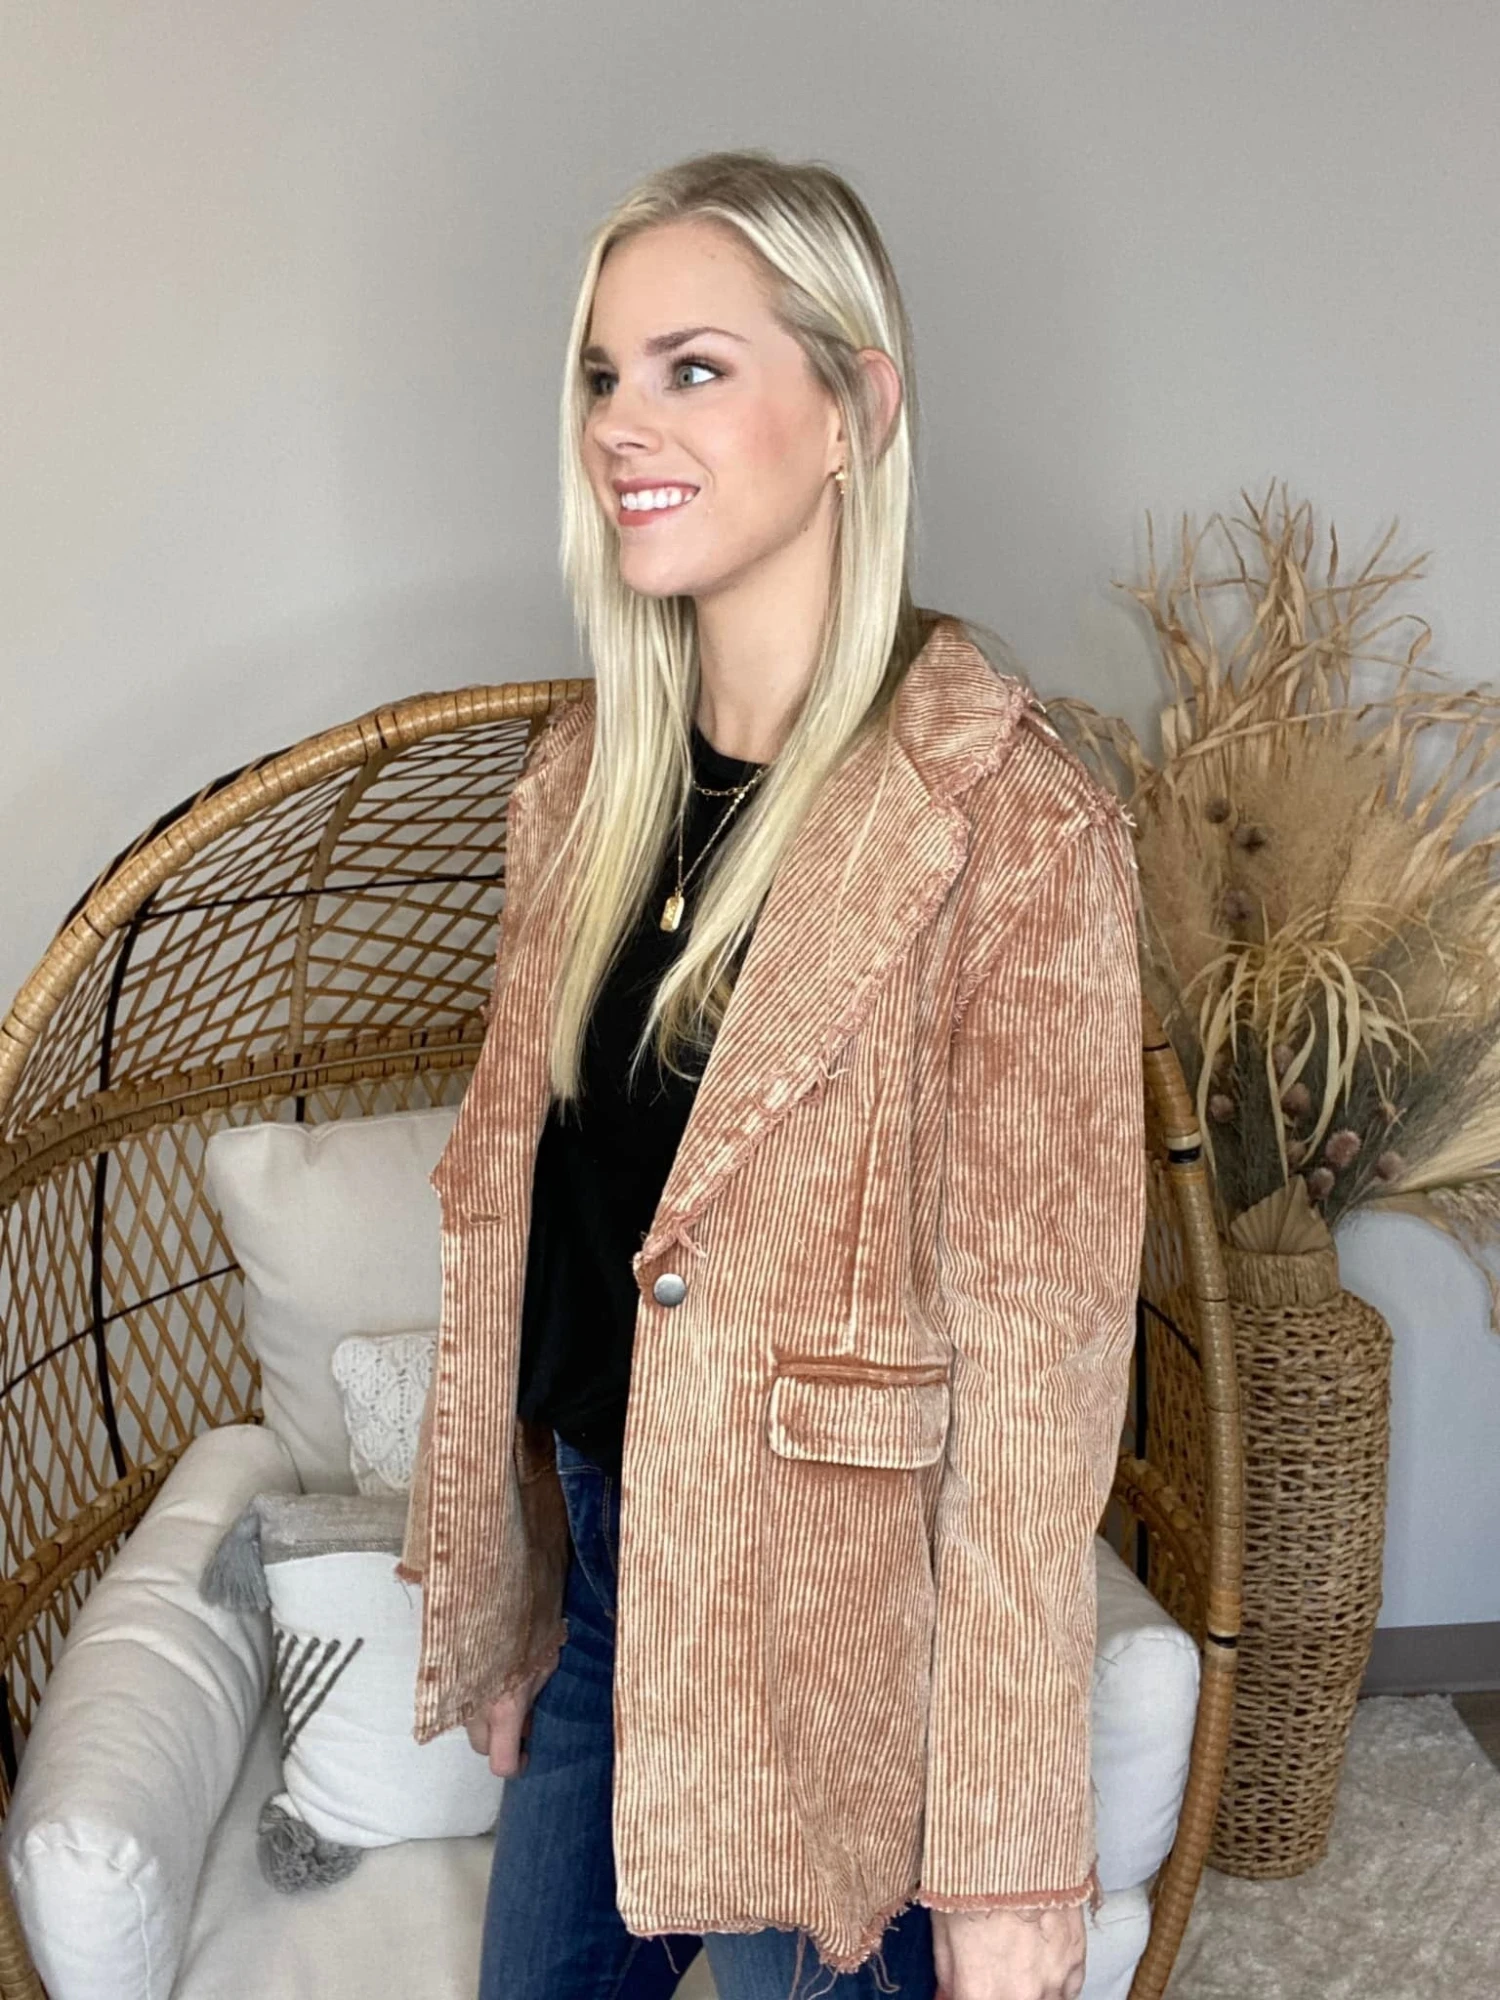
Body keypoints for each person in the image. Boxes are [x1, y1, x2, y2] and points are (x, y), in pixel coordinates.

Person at [396, 148, 1145, 2000]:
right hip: (604, 1592)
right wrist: (509, 1591)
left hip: (832, 1650)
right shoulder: (581, 788)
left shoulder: (1008, 827)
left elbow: (1040, 1393)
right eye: (603, 372)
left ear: (855, 412)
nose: (620, 422)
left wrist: (1010, 1856)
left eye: (694, 367)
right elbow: (539, 1229)